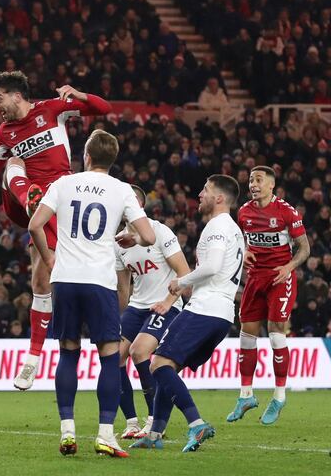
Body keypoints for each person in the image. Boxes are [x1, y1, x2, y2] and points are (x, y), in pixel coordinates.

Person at [0, 71, 111, 390]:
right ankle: (30, 199)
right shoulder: (5, 133)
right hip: (24, 201)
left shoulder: (52, 109)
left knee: (41, 280)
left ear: (16, 95)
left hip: (60, 201)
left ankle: (32, 360)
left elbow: (103, 109)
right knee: (12, 162)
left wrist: (78, 94)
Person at [29, 129, 156, 458]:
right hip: (100, 281)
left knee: (68, 353)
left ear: (86, 155)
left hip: (65, 279)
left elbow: (34, 225)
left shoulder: (64, 183)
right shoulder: (121, 189)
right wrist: (129, 236)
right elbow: (148, 236)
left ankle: (67, 431)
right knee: (110, 357)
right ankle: (104, 435)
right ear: (112, 161)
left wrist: (48, 257)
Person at [131, 175, 244, 453]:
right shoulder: (232, 228)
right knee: (166, 370)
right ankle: (155, 434)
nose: (200, 194)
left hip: (206, 308)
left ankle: (196, 423)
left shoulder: (218, 226)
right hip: (222, 313)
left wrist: (182, 282)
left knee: (158, 364)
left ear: (219, 198)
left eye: (206, 190)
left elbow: (214, 265)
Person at [227, 166, 310, 425]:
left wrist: (288, 267)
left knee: (276, 334)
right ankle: (246, 396)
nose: (253, 184)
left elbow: (304, 248)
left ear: (271, 185)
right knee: (246, 335)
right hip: (255, 279)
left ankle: (279, 395)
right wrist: (245, 249)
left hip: (279, 277)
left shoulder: (286, 211)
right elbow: (244, 239)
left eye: (258, 180)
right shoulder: (243, 212)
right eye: (251, 179)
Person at [115, 185, 190, 439]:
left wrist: (169, 301)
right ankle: (132, 422)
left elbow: (185, 273)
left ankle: (154, 420)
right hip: (137, 307)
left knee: (139, 351)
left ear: (140, 206)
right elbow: (123, 288)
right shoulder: (118, 243)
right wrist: (118, 318)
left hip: (165, 304)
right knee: (112, 358)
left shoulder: (159, 231)